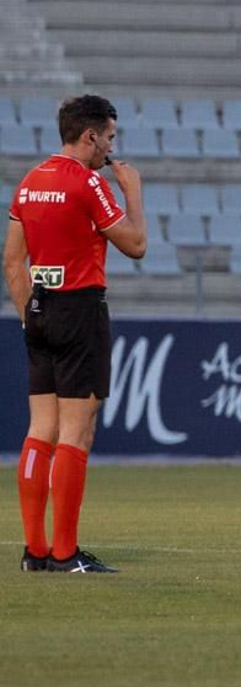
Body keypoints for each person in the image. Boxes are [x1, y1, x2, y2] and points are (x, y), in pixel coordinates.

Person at [5, 94, 146, 574]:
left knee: (39, 428)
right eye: (108, 137)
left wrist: (30, 316)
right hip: (80, 310)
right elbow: (137, 245)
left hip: (40, 309)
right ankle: (65, 553)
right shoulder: (88, 184)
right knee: (76, 432)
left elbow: (12, 261)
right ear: (89, 135)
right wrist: (132, 190)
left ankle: (34, 550)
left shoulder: (30, 181)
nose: (110, 147)